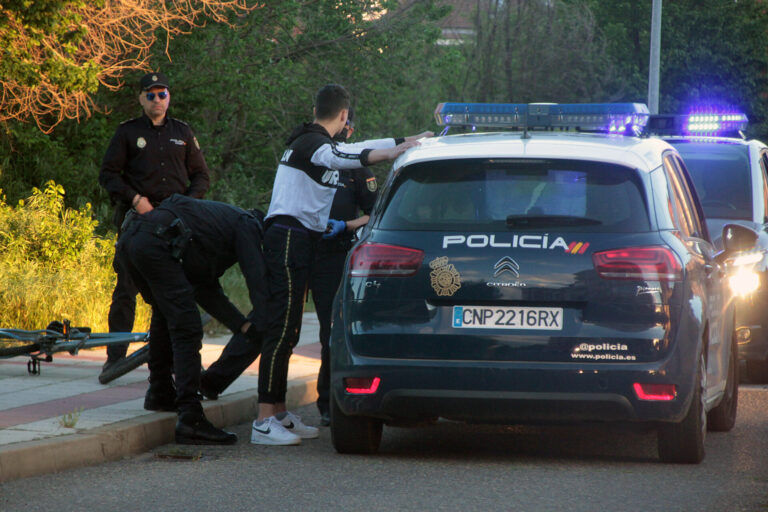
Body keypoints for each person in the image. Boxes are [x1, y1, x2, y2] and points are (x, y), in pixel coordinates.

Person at [249, 83, 432, 445]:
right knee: (281, 330)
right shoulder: (308, 142)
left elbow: (350, 148)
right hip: (287, 236)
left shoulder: (319, 140)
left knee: (291, 331)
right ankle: (262, 420)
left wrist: (410, 138)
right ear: (344, 114)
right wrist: (396, 150)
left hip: (302, 240)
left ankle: (279, 413)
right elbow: (340, 158)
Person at [117, 193, 267, 444]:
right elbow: (257, 282)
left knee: (165, 314)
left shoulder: (214, 224)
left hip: (132, 239)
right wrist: (270, 321)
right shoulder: (248, 224)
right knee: (187, 326)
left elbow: (204, 288)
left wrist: (241, 325)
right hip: (154, 241)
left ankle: (161, 391)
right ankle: (190, 418)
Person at [98, 71, 210, 381]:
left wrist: (187, 205)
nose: (157, 100)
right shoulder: (127, 133)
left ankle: (175, 361)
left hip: (175, 222)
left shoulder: (183, 132)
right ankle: (115, 357)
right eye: (151, 94)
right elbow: (108, 174)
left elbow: (201, 176)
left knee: (175, 292)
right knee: (126, 290)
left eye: (162, 94)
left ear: (169, 97)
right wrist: (135, 199)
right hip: (139, 219)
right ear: (141, 98)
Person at [309, 107, 378, 426]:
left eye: (349, 128)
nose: (345, 132)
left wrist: (347, 226)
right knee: (280, 328)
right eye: (342, 126)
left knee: (330, 329)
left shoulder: (357, 169)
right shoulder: (310, 157)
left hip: (335, 253)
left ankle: (326, 402)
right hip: (301, 248)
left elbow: (374, 214)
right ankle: (273, 407)